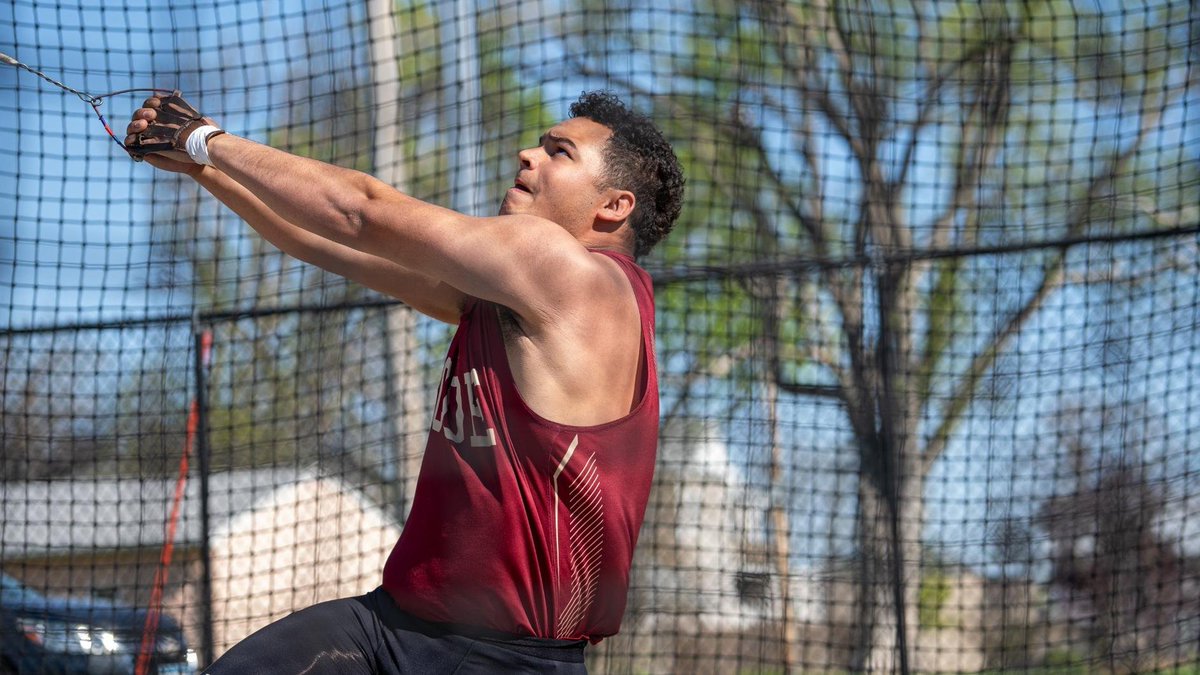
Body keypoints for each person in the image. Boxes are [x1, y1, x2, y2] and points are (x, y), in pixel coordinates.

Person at [125, 89, 684, 674]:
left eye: (559, 152)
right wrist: (201, 168)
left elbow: (360, 210)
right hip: (391, 625)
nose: (527, 154)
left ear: (614, 206)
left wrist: (204, 139)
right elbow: (321, 241)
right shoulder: (514, 296)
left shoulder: (572, 274)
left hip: (500, 658)